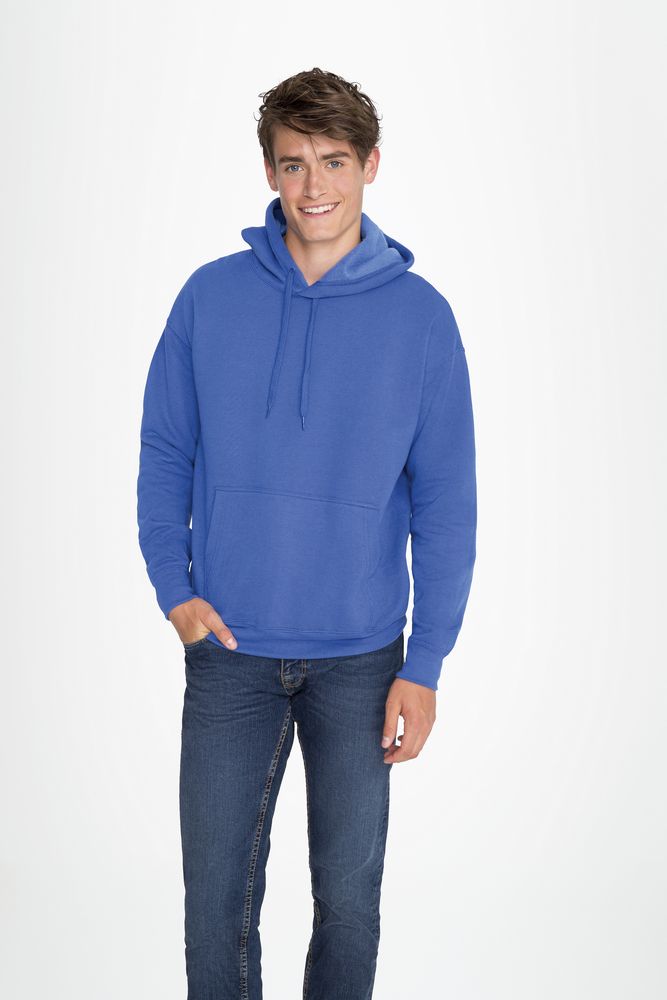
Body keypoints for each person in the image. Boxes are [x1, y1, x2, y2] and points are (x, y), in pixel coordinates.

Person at [136, 66, 477, 1000]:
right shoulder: (209, 298)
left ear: (370, 165)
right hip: (229, 650)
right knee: (215, 907)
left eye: (333, 162)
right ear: (269, 172)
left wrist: (425, 663)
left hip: (362, 659)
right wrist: (174, 590)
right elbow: (164, 450)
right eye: (293, 164)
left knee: (349, 904)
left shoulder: (421, 319)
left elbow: (446, 501)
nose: (313, 186)